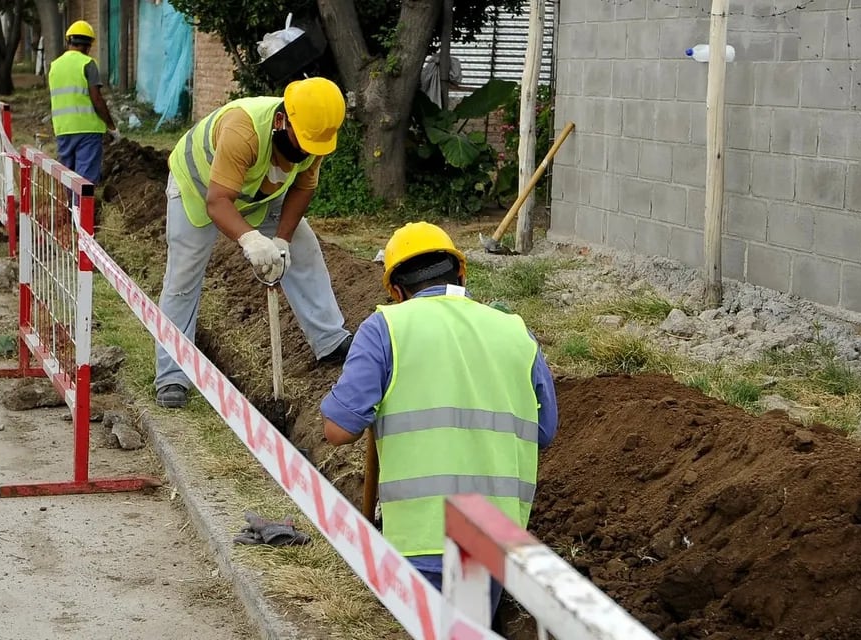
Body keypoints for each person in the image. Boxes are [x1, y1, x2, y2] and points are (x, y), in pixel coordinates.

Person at [320, 222, 558, 619]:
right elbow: (544, 431)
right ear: (462, 274)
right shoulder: (516, 332)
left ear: (395, 291)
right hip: (491, 541)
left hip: (419, 538)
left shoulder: (385, 328)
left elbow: (338, 430)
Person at [154, 77, 353, 409]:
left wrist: (282, 240)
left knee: (305, 246)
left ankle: (330, 339)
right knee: (182, 280)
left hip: (257, 194)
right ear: (281, 120)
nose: (306, 150)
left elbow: (303, 188)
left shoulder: (315, 134)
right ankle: (172, 375)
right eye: (301, 141)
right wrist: (249, 239)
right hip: (198, 189)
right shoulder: (243, 130)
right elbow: (218, 202)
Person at [47, 20, 119, 185]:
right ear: (88, 46)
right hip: (87, 130)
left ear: (68, 41)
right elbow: (96, 99)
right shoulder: (87, 63)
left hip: (63, 129)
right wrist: (111, 126)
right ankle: (82, 211)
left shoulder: (55, 66)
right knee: (85, 180)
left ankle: (70, 210)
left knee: (67, 176)